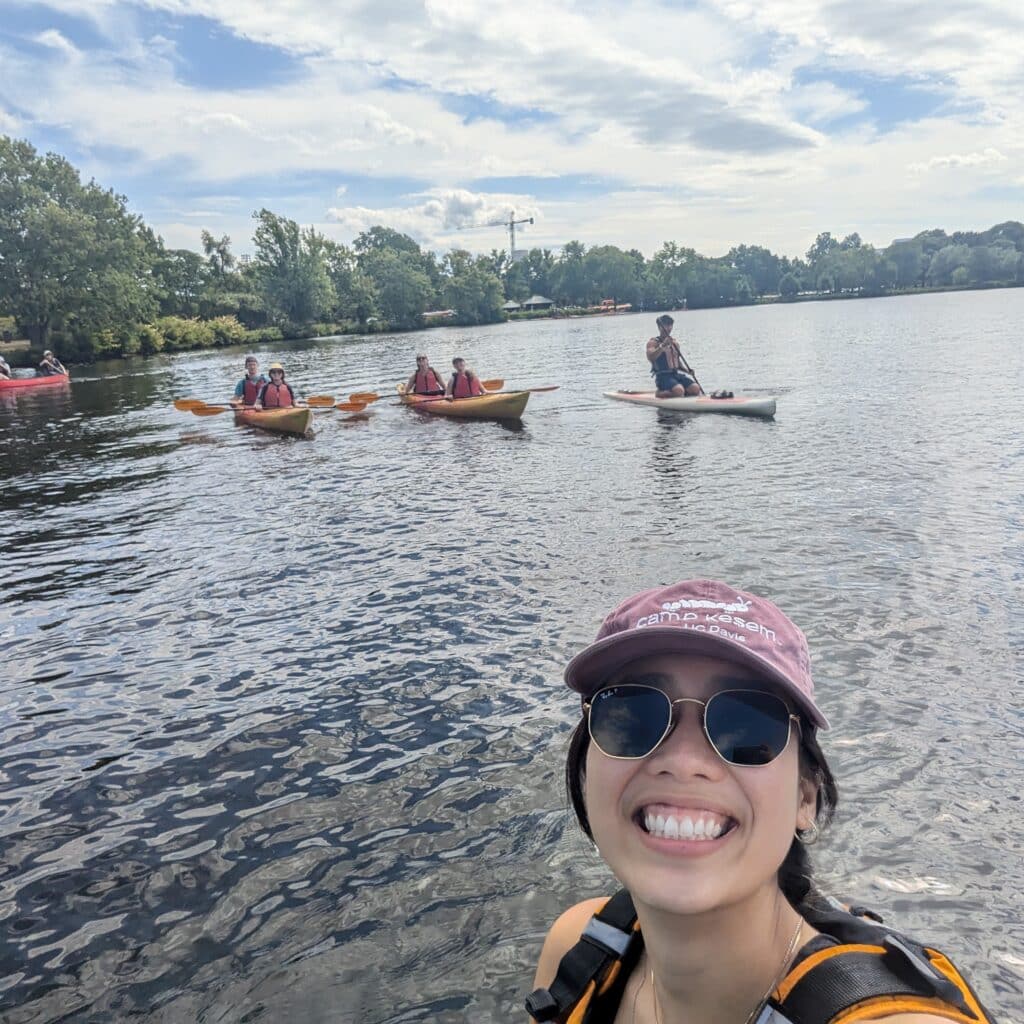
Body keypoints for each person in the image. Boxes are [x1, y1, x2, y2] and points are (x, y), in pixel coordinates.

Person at [528, 579, 993, 1024]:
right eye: (631, 715)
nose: (685, 762)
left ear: (805, 798)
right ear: (586, 770)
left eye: (748, 727)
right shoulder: (579, 951)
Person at [646, 315, 702, 397]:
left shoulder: (674, 343)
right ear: (659, 327)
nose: (668, 328)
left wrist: (687, 371)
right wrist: (662, 346)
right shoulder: (653, 343)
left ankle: (680, 393)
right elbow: (651, 357)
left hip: (675, 375)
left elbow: (677, 364)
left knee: (696, 388)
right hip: (663, 377)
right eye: (666, 325)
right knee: (679, 390)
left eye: (670, 325)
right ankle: (660, 393)